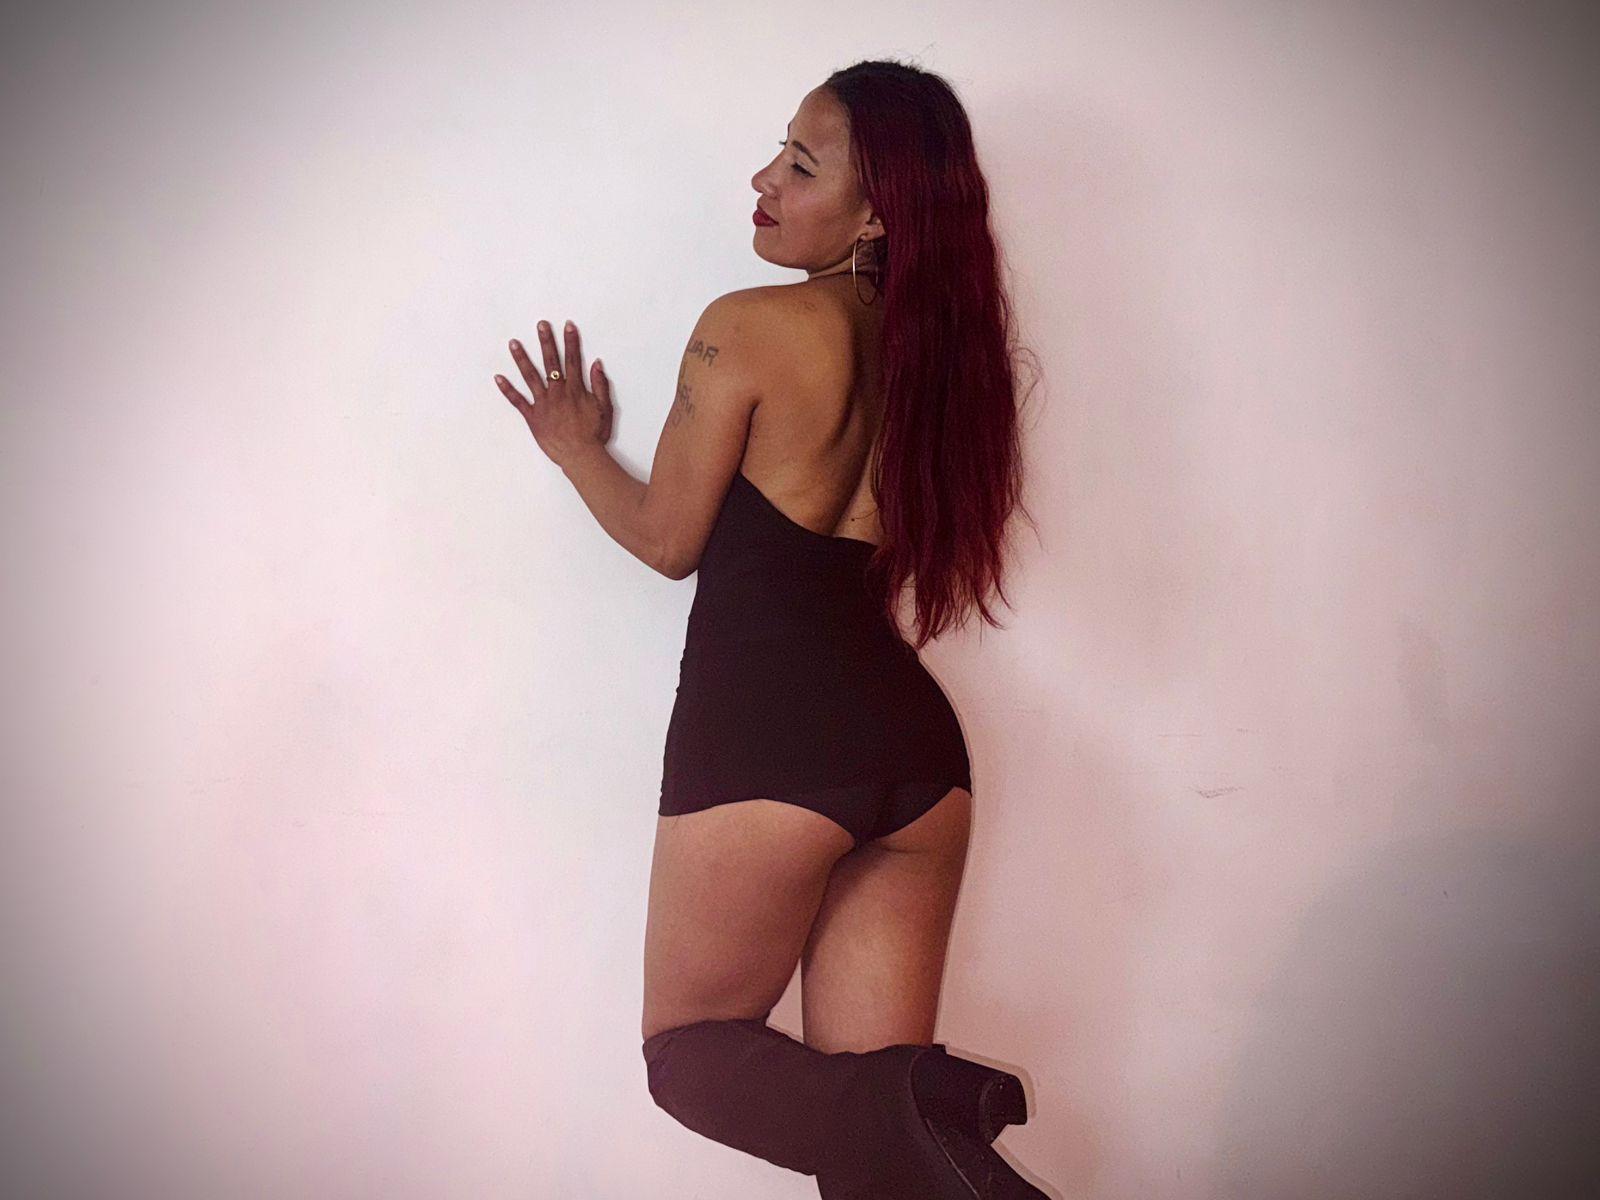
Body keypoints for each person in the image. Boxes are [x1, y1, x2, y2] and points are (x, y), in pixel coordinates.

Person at [496, 57, 1046, 1199]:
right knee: (873, 1167)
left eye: (800, 165)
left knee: (687, 1054)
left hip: (771, 737)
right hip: (916, 756)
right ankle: (923, 1111)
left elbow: (668, 539)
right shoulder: (940, 356)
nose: (763, 180)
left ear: (877, 211)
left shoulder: (748, 326)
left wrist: (577, 449)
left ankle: (924, 1104)